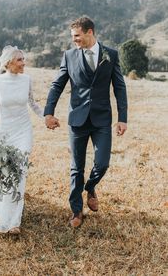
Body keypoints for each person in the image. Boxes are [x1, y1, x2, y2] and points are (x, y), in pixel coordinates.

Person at [44, 16, 127, 228]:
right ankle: (76, 211)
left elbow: (119, 87)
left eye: (77, 36)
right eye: (73, 37)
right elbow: (57, 85)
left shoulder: (111, 55)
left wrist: (122, 118)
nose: (74, 41)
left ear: (90, 32)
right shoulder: (69, 56)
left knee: (103, 163)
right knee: (76, 168)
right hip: (77, 120)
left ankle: (90, 187)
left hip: (101, 119)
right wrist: (48, 112)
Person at [0, 45, 43, 234]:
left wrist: (47, 117)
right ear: (9, 62)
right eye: (19, 60)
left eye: (23, 59)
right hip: (4, 132)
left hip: (24, 131)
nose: (23, 63)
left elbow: (33, 103)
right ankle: (3, 205)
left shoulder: (27, 79)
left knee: (20, 171)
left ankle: (13, 222)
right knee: (6, 172)